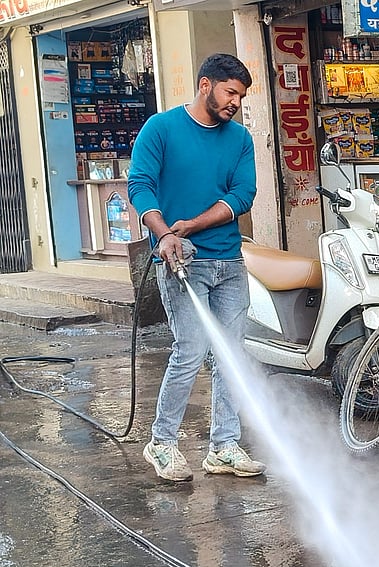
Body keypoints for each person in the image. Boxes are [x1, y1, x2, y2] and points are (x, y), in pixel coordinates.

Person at [127, 53, 264, 482]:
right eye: (230, 93)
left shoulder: (239, 139)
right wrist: (166, 233)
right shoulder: (161, 129)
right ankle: (162, 443)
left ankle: (223, 446)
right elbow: (140, 184)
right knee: (189, 352)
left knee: (231, 357)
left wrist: (194, 224)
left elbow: (243, 195)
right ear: (205, 85)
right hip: (182, 262)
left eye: (240, 96)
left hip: (228, 260)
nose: (235, 103)